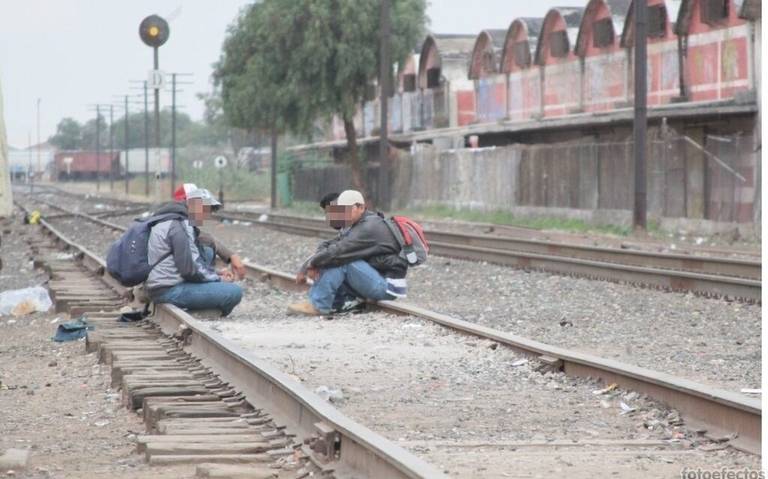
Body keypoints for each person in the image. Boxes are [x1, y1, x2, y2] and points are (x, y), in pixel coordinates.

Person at [288, 189, 407, 316]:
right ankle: (334, 302)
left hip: (388, 286)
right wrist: (311, 263)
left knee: (341, 261)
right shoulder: (356, 224)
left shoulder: (369, 227)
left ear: (360, 207)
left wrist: (311, 264)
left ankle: (318, 305)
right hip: (375, 278)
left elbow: (338, 252)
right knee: (332, 257)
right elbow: (328, 245)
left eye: (348, 209)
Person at [145, 187, 243, 316]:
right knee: (234, 292)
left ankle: (203, 308)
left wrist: (217, 273)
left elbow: (192, 257)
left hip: (161, 285)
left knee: (206, 250)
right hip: (168, 289)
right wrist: (217, 280)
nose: (208, 215)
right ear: (196, 206)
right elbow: (188, 269)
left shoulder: (171, 218)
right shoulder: (181, 224)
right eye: (207, 210)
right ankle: (203, 312)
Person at [173, 183, 247, 279]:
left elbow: (198, 236)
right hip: (173, 283)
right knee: (207, 250)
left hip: (172, 277)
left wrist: (218, 272)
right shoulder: (178, 222)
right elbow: (201, 239)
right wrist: (216, 277)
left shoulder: (181, 220)